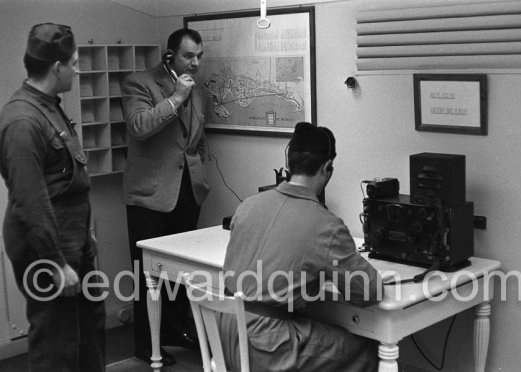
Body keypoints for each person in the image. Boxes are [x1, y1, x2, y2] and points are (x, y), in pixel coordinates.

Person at [220, 122, 382, 371]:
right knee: (369, 349)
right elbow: (369, 292)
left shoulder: (247, 205)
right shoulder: (326, 225)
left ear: (288, 165)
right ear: (328, 167)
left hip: (226, 333)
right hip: (266, 346)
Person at [0, 23, 105, 371]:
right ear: (57, 67)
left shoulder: (48, 105)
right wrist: (56, 263)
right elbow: (30, 202)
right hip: (49, 252)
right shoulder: (22, 121)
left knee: (87, 335)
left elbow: (68, 181)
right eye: (74, 63)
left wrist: (87, 234)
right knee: (57, 345)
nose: (77, 70)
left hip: (73, 242)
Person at [121, 28, 210, 365]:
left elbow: (198, 136)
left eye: (200, 56)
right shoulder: (138, 83)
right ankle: (146, 343)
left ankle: (174, 331)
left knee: (182, 272)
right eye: (190, 56)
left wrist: (200, 174)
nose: (196, 62)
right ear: (170, 55)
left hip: (188, 190)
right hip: (149, 195)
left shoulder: (196, 88)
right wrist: (175, 98)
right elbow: (140, 126)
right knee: (149, 274)